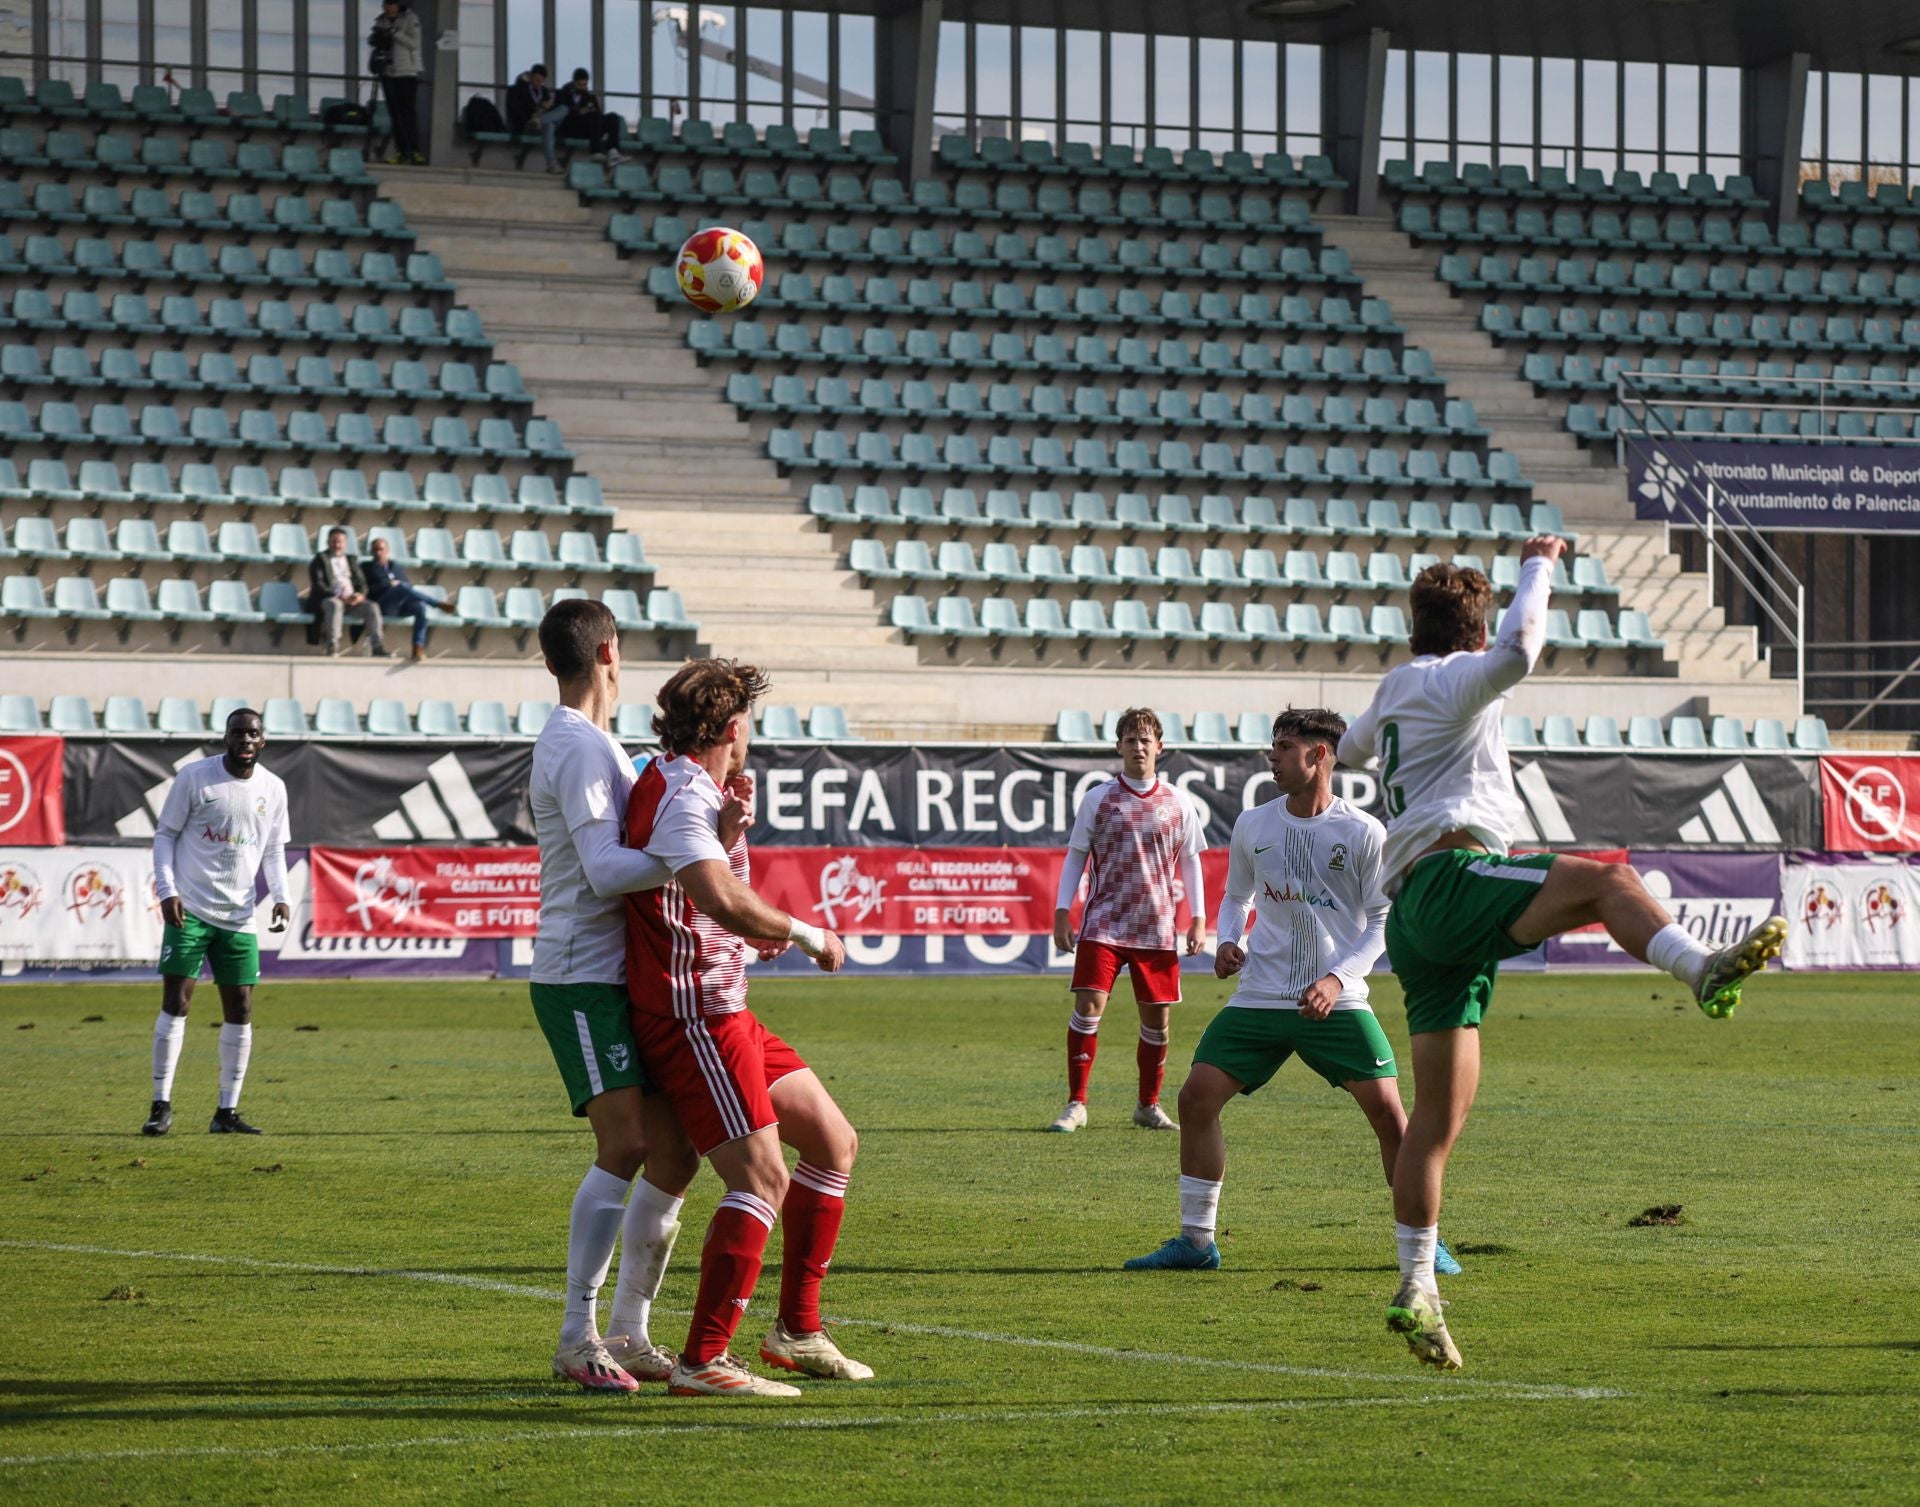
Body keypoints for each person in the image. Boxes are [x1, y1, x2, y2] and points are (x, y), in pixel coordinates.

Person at [1338, 538, 1787, 1371]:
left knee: (1436, 1122)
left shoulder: (1395, 687)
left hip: (1416, 918)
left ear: (1414, 630)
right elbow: (1519, 651)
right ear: (1470, 633)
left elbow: (1358, 750)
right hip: (1453, 874)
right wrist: (1539, 564)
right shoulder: (1455, 677)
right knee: (1609, 876)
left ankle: (1417, 1287)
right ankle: (1701, 967)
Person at [1123, 708, 1457, 1280]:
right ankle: (1197, 1241)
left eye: (1283, 746)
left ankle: (1424, 1246)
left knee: (1390, 1118)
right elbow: (1237, 898)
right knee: (1196, 1099)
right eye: (1271, 746)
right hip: (1261, 995)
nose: (1271, 757)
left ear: (1319, 755)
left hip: (1337, 1001)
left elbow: (1382, 921)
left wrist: (1336, 979)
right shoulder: (1255, 824)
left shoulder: (1362, 832)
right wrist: (1229, 940)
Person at [623, 657, 866, 1399]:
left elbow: (711, 899)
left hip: (727, 1005)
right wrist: (805, 932)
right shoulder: (680, 794)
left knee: (834, 1139)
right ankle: (703, 1358)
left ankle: (796, 1329)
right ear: (733, 728)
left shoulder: (694, 791)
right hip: (694, 1013)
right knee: (762, 1174)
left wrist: (731, 837)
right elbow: (720, 901)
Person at [526, 598, 750, 1392]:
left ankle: (627, 1331)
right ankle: (575, 1334)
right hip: (579, 972)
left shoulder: (590, 743)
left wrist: (705, 843)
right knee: (623, 1147)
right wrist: (690, 859)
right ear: (611, 652)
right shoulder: (581, 746)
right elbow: (603, 870)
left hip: (614, 972)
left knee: (675, 1153)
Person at [1047, 707, 1208, 1133]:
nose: (1138, 747)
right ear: (1119, 747)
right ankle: (1076, 1103)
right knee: (1088, 1004)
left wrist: (1198, 918)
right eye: (1130, 740)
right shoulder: (1098, 799)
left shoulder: (1178, 802)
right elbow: (1076, 856)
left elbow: (1191, 861)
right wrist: (1063, 911)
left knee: (1157, 1019)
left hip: (1156, 927)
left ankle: (1147, 1105)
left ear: (1160, 747)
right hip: (1103, 923)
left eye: (1145, 740)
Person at [142, 708, 291, 1137]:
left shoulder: (274, 789)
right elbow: (165, 834)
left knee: (241, 1008)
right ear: (225, 737)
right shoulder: (194, 777)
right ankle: (160, 1105)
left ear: (263, 741)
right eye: (239, 732)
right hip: (190, 908)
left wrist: (281, 897)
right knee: (178, 1002)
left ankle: (226, 1112)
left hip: (239, 915)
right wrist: (167, 890)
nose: (246, 739)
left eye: (254, 734)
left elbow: (275, 850)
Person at [305, 526, 386, 657]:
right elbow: (319, 584)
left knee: (372, 607)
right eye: (334, 542)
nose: (337, 545)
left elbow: (362, 583)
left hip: (351, 600)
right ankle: (332, 645)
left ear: (345, 543)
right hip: (328, 598)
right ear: (328, 542)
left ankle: (377, 646)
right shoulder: (320, 560)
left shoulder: (351, 560)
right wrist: (337, 596)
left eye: (340, 542)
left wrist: (360, 595)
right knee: (335, 605)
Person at [370, 0, 425, 165]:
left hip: (406, 71)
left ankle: (414, 151)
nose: (388, 7)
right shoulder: (380, 20)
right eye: (386, 4)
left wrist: (394, 32)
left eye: (392, 4)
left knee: (408, 112)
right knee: (395, 113)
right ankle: (400, 151)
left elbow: (414, 43)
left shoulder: (410, 19)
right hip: (388, 71)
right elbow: (377, 42)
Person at [363, 536, 434, 661]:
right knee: (400, 587)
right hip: (382, 604)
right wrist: (389, 585)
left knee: (420, 607)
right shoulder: (367, 567)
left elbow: (408, 585)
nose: (378, 553)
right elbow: (368, 590)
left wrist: (399, 586)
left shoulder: (395, 567)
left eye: (381, 549)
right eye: (375, 550)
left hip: (400, 605)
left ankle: (418, 647)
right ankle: (434, 602)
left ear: (387, 551)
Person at [555, 68, 625, 165]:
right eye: (579, 85)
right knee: (593, 116)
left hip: (588, 128)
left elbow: (598, 114)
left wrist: (590, 111)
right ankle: (596, 151)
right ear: (573, 82)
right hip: (570, 127)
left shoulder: (589, 97)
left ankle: (612, 151)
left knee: (612, 117)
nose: (582, 88)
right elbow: (560, 112)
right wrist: (579, 112)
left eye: (585, 85)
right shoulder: (562, 94)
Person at [506, 63, 568, 172]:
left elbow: (549, 107)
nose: (538, 84)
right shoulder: (517, 89)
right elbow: (515, 110)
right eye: (536, 80)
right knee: (549, 126)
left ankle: (551, 163)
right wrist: (533, 113)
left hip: (540, 122)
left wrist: (546, 107)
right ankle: (551, 163)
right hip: (526, 124)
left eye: (541, 81)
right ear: (530, 76)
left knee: (563, 110)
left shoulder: (543, 90)